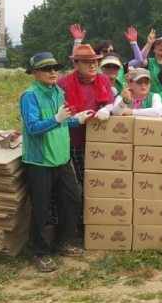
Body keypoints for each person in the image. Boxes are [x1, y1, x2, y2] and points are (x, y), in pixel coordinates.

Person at [20, 52, 91, 272]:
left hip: (61, 158)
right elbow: (32, 128)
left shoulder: (58, 92)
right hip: (40, 161)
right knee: (40, 209)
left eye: (54, 68)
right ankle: (41, 253)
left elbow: (61, 121)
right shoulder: (30, 96)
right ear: (34, 73)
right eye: (46, 69)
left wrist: (75, 120)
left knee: (72, 201)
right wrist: (57, 119)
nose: (53, 72)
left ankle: (60, 244)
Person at [56, 45, 114, 226]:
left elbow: (110, 102)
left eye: (95, 61)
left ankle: (91, 219)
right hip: (73, 138)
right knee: (75, 182)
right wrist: (73, 118)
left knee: (94, 180)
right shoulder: (63, 83)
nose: (92, 66)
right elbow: (56, 110)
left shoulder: (103, 80)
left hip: (97, 139)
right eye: (87, 62)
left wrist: (106, 109)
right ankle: (74, 220)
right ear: (76, 65)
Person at [69, 24, 144, 84]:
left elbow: (139, 59)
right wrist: (77, 41)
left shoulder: (119, 68)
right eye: (105, 51)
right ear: (98, 52)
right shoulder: (93, 67)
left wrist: (133, 43)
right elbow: (76, 60)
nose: (108, 53)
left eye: (111, 51)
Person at [136, 29, 162, 94]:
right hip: (151, 99)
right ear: (153, 49)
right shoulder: (149, 62)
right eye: (158, 44)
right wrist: (149, 43)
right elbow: (140, 59)